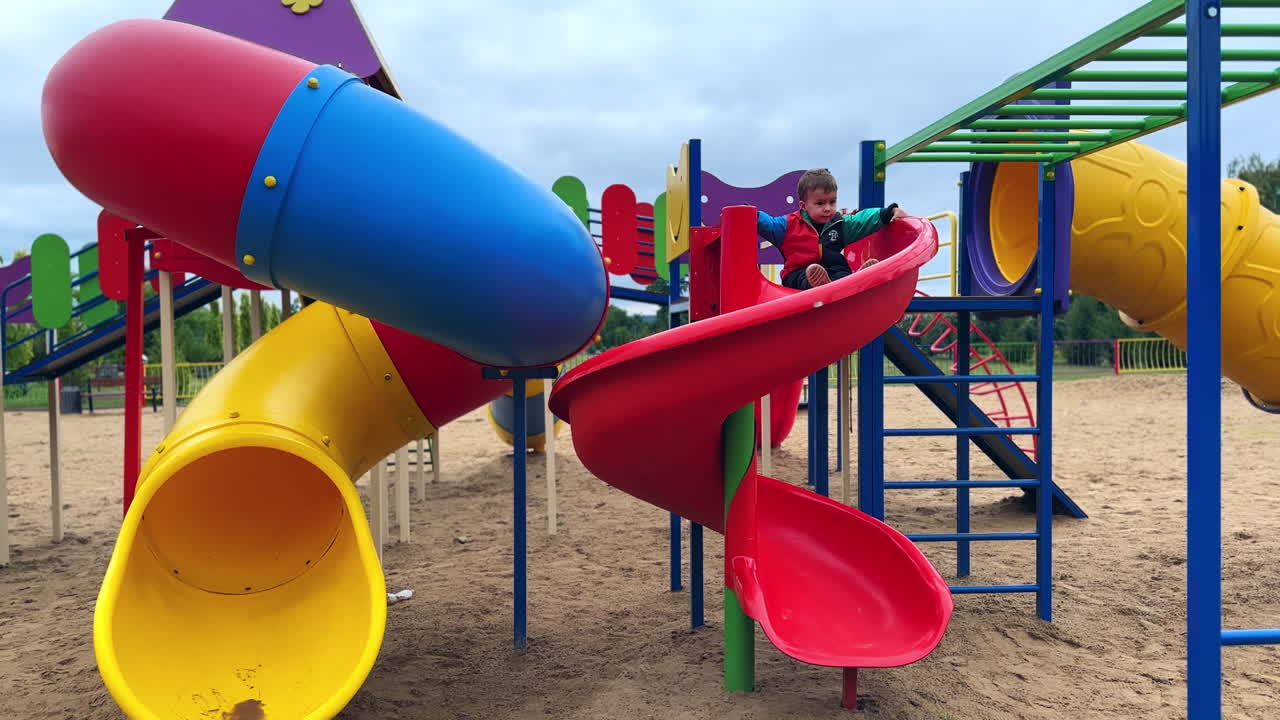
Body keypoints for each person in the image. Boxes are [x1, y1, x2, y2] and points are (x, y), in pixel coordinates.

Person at [756, 168, 908, 290]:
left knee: (841, 272)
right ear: (803, 206)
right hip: (799, 271)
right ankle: (818, 285)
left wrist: (889, 212)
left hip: (832, 270)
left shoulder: (839, 223)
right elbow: (770, 225)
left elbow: (862, 220)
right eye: (820, 203)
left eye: (832, 202)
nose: (828, 208)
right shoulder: (788, 225)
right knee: (799, 277)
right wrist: (752, 215)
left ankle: (857, 281)